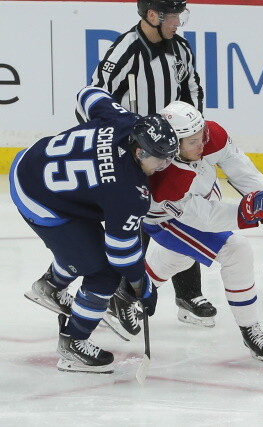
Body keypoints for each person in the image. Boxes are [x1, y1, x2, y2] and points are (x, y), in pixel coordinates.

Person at [10, 86, 179, 373]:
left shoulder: (125, 121)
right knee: (104, 273)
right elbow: (121, 255)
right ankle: (74, 342)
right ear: (139, 151)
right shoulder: (130, 193)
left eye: (169, 158)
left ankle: (51, 285)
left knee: (84, 242)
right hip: (38, 198)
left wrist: (93, 137)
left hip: (31, 162)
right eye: (159, 159)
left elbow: (89, 93)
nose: (164, 166)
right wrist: (142, 286)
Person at [138, 101, 263, 364]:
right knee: (235, 250)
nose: (201, 144)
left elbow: (241, 168)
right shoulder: (164, 177)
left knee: (180, 258)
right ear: (173, 145)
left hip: (198, 204)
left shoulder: (209, 136)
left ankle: (128, 294)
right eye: (192, 141)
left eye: (201, 134)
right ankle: (250, 328)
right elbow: (204, 218)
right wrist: (247, 210)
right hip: (166, 219)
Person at [87, 0, 214, 329]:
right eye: (173, 15)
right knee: (135, 221)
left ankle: (188, 294)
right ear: (153, 15)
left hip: (175, 150)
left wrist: (196, 128)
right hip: (138, 155)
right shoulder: (126, 50)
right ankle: (117, 297)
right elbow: (97, 96)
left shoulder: (180, 47)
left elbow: (192, 87)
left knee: (184, 210)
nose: (178, 22)